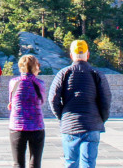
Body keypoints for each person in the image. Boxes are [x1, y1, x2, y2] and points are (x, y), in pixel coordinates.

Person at [48, 40, 112, 168]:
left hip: (70, 125)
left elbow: (52, 99)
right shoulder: (97, 74)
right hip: (92, 125)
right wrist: (100, 119)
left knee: (71, 163)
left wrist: (63, 116)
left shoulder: (64, 73)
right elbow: (106, 100)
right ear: (88, 55)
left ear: (71, 55)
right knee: (88, 164)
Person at [8, 54, 46, 168]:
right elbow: (42, 101)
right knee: (35, 163)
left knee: (18, 163)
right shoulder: (40, 83)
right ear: (36, 67)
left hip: (17, 126)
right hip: (36, 125)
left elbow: (11, 100)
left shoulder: (14, 82)